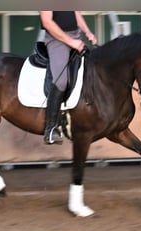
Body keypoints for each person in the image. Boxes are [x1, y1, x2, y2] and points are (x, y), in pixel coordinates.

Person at [40, 11, 97, 144]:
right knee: (61, 81)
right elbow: (47, 22)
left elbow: (75, 13)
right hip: (57, 39)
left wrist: (87, 32)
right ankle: (51, 128)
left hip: (76, 36)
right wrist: (71, 42)